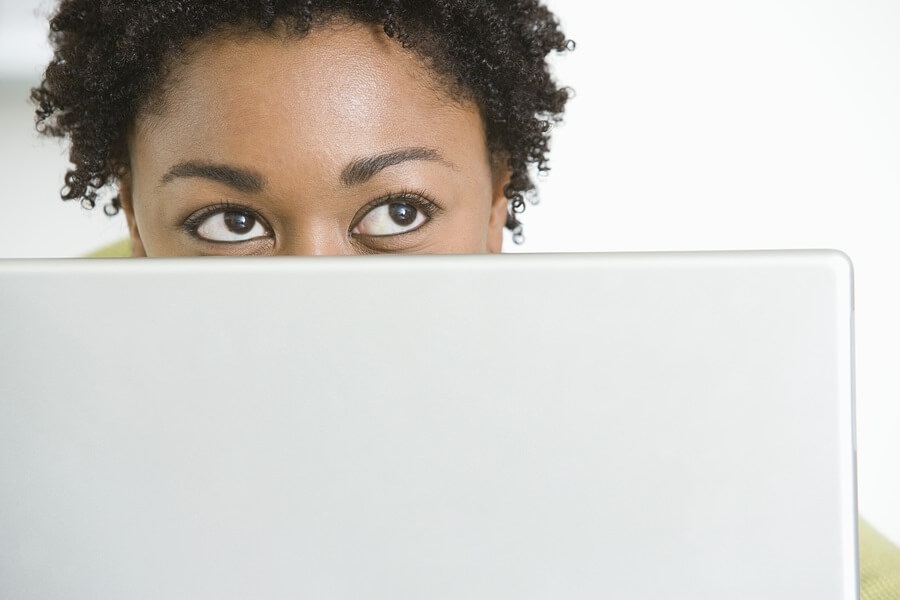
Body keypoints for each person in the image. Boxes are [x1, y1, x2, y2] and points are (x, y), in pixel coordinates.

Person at [31, 0, 572, 257]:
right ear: (134, 217)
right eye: (231, 223)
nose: (315, 288)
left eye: (397, 214)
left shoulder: (593, 406)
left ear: (497, 197)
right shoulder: (35, 383)